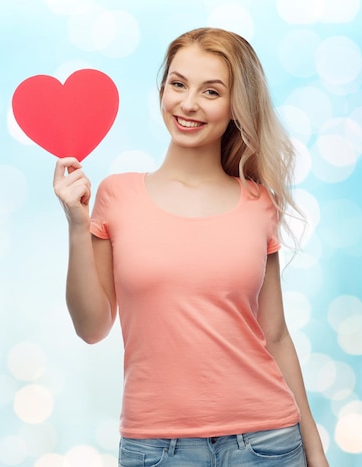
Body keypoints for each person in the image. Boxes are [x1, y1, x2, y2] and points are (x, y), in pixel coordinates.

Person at [53, 27, 328, 466]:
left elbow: (274, 334)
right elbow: (91, 327)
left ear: (236, 106)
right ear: (162, 88)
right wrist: (75, 224)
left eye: (211, 91)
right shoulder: (116, 196)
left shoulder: (258, 204)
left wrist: (314, 450)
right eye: (178, 84)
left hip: (266, 444)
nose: (188, 104)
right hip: (156, 449)